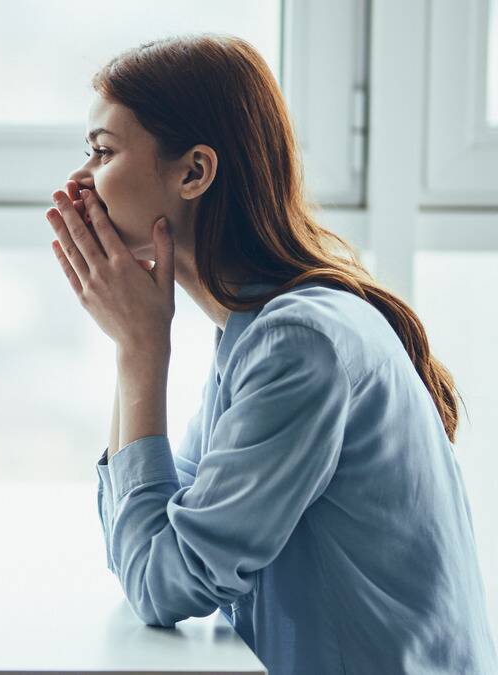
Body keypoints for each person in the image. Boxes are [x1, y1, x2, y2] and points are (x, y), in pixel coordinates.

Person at [45, 35, 497, 675]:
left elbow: (161, 585)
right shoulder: (256, 333)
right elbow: (151, 542)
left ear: (195, 172)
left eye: (102, 152)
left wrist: (140, 351)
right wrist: (132, 342)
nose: (78, 182)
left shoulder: (298, 345)